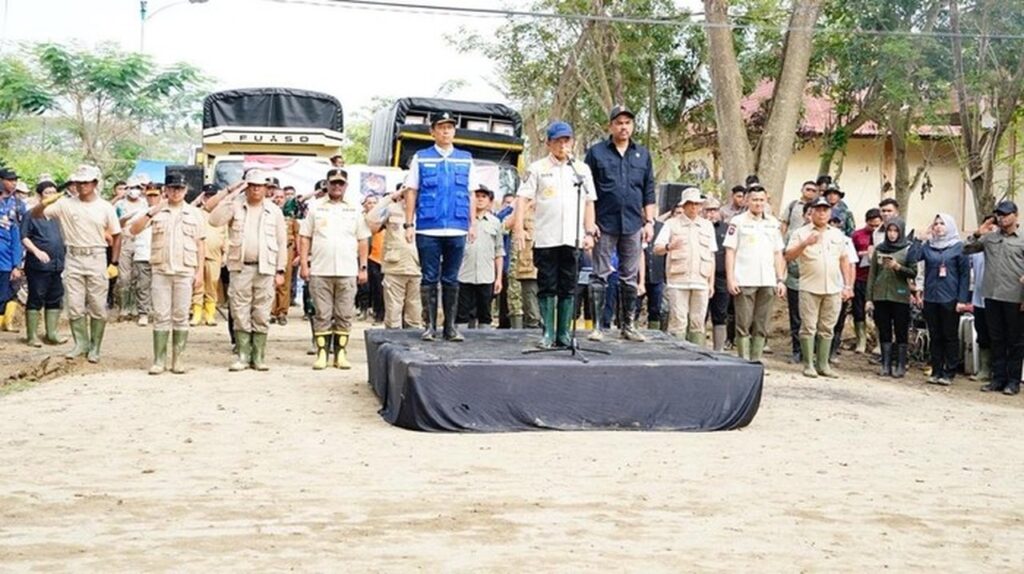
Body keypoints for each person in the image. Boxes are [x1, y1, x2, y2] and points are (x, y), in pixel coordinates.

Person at [516, 121, 597, 348]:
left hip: (572, 237)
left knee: (568, 286)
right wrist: (519, 227)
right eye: (558, 141)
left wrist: (589, 232)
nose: (563, 145)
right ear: (549, 143)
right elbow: (522, 198)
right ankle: (548, 333)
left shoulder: (581, 170)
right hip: (546, 237)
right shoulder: (538, 168)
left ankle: (564, 333)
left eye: (566, 140)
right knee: (547, 285)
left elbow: (589, 201)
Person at [30, 165, 121, 363]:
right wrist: (46, 202)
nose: (81, 186)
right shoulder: (65, 204)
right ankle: (81, 344)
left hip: (96, 256)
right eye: (78, 182)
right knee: (75, 304)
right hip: (73, 256)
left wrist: (114, 262)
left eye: (86, 182)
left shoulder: (105, 207)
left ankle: (95, 346)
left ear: (94, 183)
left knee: (97, 304)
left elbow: (116, 235)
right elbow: (36, 214)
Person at [402, 110, 479, 342]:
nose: (446, 131)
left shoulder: (465, 158)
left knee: (451, 278)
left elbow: (471, 194)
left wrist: (472, 223)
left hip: (457, 226)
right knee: (429, 277)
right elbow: (411, 191)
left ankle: (450, 327)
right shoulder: (421, 157)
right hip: (428, 227)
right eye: (441, 127)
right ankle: (430, 326)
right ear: (432, 131)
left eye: (450, 127)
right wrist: (409, 223)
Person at [584, 104, 656, 342]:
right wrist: (590, 223)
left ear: (632, 126)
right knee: (599, 275)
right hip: (604, 223)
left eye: (627, 123)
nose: (623, 127)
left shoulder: (642, 154)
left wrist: (649, 221)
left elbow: (648, 189)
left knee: (629, 276)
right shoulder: (596, 153)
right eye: (619, 123)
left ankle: (629, 325)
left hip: (634, 223)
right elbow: (587, 191)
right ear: (611, 126)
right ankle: (598, 327)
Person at [208, 170, 288, 371]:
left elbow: (282, 242)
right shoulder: (235, 206)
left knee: (262, 311)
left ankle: (258, 355)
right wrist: (232, 194)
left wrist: (280, 270)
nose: (255, 189)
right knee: (239, 310)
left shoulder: (274, 211)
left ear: (266, 188)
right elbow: (214, 220)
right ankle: (243, 354)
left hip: (265, 267)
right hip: (240, 267)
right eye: (251, 185)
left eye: (259, 186)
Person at [129, 174, 205, 375]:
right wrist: (152, 212)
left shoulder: (194, 213)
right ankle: (159, 360)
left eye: (179, 188)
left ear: (185, 190)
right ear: (166, 190)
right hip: (161, 270)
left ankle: (178, 359)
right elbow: (134, 229)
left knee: (181, 315)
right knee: (161, 315)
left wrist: (200, 272)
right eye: (172, 188)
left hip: (185, 270)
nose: (176, 192)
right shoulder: (156, 211)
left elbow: (200, 244)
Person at [299, 168, 370, 370]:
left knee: (344, 314)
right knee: (322, 314)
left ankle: (340, 354)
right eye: (333, 183)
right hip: (320, 269)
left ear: (346, 186)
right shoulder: (315, 207)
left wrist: (363, 267)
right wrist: (304, 264)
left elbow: (362, 239)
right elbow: (305, 237)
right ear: (327, 184)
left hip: (347, 269)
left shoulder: (355, 208)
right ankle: (322, 354)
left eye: (341, 183)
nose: (337, 186)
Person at [785, 197, 854, 378]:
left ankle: (823, 364)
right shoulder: (801, 233)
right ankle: (808, 364)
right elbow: (788, 256)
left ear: (830, 213)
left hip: (833, 288)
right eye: (818, 210)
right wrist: (805, 243)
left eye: (825, 210)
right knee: (808, 326)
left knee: (828, 327)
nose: (822, 213)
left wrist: (847, 285)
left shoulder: (837, 234)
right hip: (809, 286)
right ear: (811, 212)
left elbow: (844, 259)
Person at [962, 201, 1024, 396]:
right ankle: (997, 379)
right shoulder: (990, 238)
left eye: (1005, 214)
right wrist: (978, 233)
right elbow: (965, 249)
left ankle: (1013, 381)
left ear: (1016, 215)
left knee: (1015, 341)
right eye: (999, 214)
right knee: (996, 339)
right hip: (991, 295)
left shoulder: (1022, 239)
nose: (1001, 218)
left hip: (1015, 297)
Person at [723, 185, 786, 361]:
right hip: (744, 278)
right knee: (743, 322)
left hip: (768, 279)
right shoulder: (738, 221)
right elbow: (730, 251)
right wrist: (731, 278)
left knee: (762, 323)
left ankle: (756, 360)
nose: (758, 203)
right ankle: (744, 360)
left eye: (761, 200)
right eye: (754, 200)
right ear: (747, 201)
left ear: (766, 200)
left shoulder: (773, 223)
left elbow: (778, 253)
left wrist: (780, 279)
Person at [907, 213, 970, 385]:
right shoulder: (929, 246)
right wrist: (919, 239)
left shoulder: (958, 247)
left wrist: (962, 300)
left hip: (950, 298)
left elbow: (965, 275)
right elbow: (911, 258)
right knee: (935, 336)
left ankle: (949, 372)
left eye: (942, 223)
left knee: (949, 336)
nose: (939, 226)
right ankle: (936, 370)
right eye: (936, 224)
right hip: (931, 298)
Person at [653, 189, 716, 344]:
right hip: (678, 281)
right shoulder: (671, 224)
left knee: (698, 322)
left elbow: (711, 256)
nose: (694, 207)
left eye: (697, 204)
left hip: (701, 280)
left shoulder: (707, 226)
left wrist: (711, 283)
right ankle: (677, 354)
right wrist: (669, 246)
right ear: (684, 205)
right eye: (690, 203)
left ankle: (698, 354)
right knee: (678, 321)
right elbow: (657, 248)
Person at [366, 185, 422, 330]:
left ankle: (413, 341)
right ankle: (393, 340)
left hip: (418, 266)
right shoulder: (392, 209)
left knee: (415, 313)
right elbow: (371, 219)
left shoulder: (424, 210)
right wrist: (391, 197)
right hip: (395, 267)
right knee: (393, 312)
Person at [866, 218, 916, 377]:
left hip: (899, 295)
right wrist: (869, 298)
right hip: (881, 295)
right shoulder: (880, 249)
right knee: (884, 329)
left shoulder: (908, 249)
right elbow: (872, 274)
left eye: (895, 231)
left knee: (901, 330)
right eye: (889, 230)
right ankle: (885, 364)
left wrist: (898, 267)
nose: (892, 234)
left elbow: (913, 272)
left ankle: (900, 365)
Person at [19, 181, 65, 346]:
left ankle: (51, 333)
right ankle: (32, 336)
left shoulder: (58, 216)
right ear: (39, 195)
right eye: (47, 192)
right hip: (38, 265)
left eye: (53, 192)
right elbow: (24, 237)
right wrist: (36, 251)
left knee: (55, 297)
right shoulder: (31, 214)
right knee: (36, 296)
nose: (51, 195)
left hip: (58, 263)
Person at [457, 184, 504, 330]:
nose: (480, 199)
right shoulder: (462, 220)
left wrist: (498, 278)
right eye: (477, 196)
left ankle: (485, 339)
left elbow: (499, 251)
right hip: (464, 274)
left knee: (485, 314)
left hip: (486, 275)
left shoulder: (495, 223)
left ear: (490, 201)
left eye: (484, 196)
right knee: (462, 314)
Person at [189, 184, 226, 327]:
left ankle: (210, 314)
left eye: (212, 196)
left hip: (215, 254)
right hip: (197, 255)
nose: (210, 198)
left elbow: (226, 236)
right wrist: (197, 201)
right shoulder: (196, 213)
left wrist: (225, 254)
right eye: (207, 196)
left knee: (212, 284)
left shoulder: (222, 214)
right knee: (197, 285)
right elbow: (186, 210)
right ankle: (196, 313)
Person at [114, 176, 148, 320]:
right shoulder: (119, 205)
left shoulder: (145, 203)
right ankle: (124, 307)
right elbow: (114, 224)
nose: (135, 190)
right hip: (125, 241)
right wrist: (126, 217)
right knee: (124, 277)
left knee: (138, 276)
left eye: (137, 188)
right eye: (132, 187)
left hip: (141, 242)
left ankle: (135, 307)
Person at [129, 184, 161, 327]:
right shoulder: (139, 212)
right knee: (143, 286)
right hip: (143, 254)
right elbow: (130, 228)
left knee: (161, 287)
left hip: (161, 255)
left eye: (155, 195)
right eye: (150, 195)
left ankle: (159, 313)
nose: (152, 198)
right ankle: (143, 313)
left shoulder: (166, 211)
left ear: (161, 195)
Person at [850, 209, 882, 354]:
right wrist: (862, 254)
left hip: (877, 279)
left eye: (877, 225)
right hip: (860, 277)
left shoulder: (884, 235)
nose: (874, 228)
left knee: (879, 312)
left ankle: (879, 343)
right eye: (871, 225)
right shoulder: (857, 235)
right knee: (858, 310)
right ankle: (861, 340)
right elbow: (849, 254)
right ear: (866, 221)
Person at [703, 197, 730, 350]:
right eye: (708, 210)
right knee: (700, 315)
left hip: (722, 278)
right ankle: (697, 348)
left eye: (714, 210)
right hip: (702, 276)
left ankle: (719, 350)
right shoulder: (699, 227)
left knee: (720, 314)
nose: (711, 213)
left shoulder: (727, 229)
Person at [268, 182, 296, 326]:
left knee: (284, 281)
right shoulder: (268, 213)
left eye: (281, 197)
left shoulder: (291, 214)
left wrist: (298, 254)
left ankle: (282, 312)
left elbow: (297, 235)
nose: (279, 200)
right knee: (270, 282)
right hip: (271, 249)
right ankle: (271, 312)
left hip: (287, 249)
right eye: (276, 197)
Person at [0, 168, 25, 331]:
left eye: (15, 180)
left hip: (7, 259)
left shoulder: (17, 204)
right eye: (10, 180)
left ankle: (5, 323)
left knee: (7, 292)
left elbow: (18, 236)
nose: (13, 183)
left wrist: (17, 264)